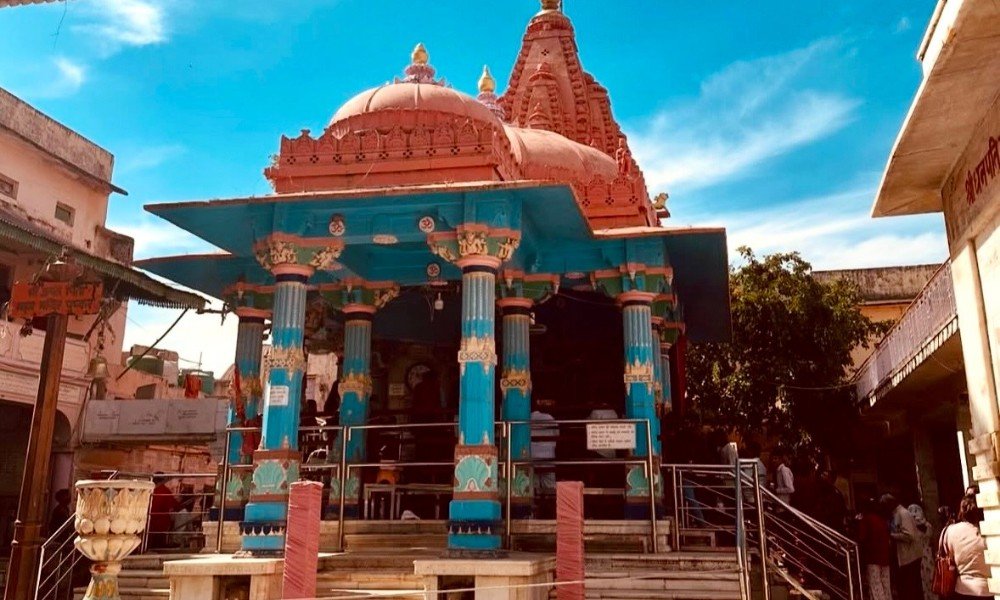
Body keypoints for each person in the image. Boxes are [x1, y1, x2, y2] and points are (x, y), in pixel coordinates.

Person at [940, 495, 991, 599]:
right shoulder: (990, 532)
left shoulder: (950, 531)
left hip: (962, 589)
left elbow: (947, 556)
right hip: (989, 589)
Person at [882, 494, 924, 600]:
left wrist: (892, 535)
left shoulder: (902, 514)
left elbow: (909, 535)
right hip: (906, 558)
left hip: (910, 557)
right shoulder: (897, 514)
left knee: (911, 588)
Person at [857, 497, 892, 600]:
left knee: (875, 585)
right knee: (886, 585)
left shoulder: (866, 520)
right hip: (885, 557)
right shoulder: (882, 520)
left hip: (872, 557)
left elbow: (861, 537)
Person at [531, 398, 559, 516]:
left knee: (534, 487)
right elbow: (557, 436)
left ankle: (534, 513)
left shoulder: (528, 418)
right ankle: (552, 513)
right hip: (548, 458)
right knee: (550, 488)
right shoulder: (550, 419)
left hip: (531, 458)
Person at [907, 504, 935, 600]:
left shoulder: (913, 528)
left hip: (919, 556)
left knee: (925, 581)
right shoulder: (927, 525)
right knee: (929, 580)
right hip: (927, 555)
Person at [149, 474, 180, 549]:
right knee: (159, 538)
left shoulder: (154, 490)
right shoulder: (165, 491)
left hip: (151, 518)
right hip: (160, 519)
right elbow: (175, 505)